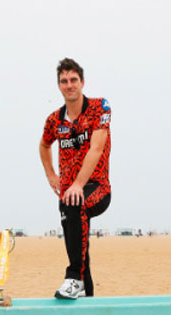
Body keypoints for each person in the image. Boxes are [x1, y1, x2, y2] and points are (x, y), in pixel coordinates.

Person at [39, 58, 112, 299]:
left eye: (73, 80)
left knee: (73, 202)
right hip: (69, 192)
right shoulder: (54, 120)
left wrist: (78, 185)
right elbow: (44, 145)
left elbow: (96, 149)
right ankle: (86, 297)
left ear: (82, 82)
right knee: (80, 245)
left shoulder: (99, 107)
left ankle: (74, 278)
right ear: (58, 85)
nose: (69, 85)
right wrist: (51, 176)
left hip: (96, 188)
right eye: (64, 81)